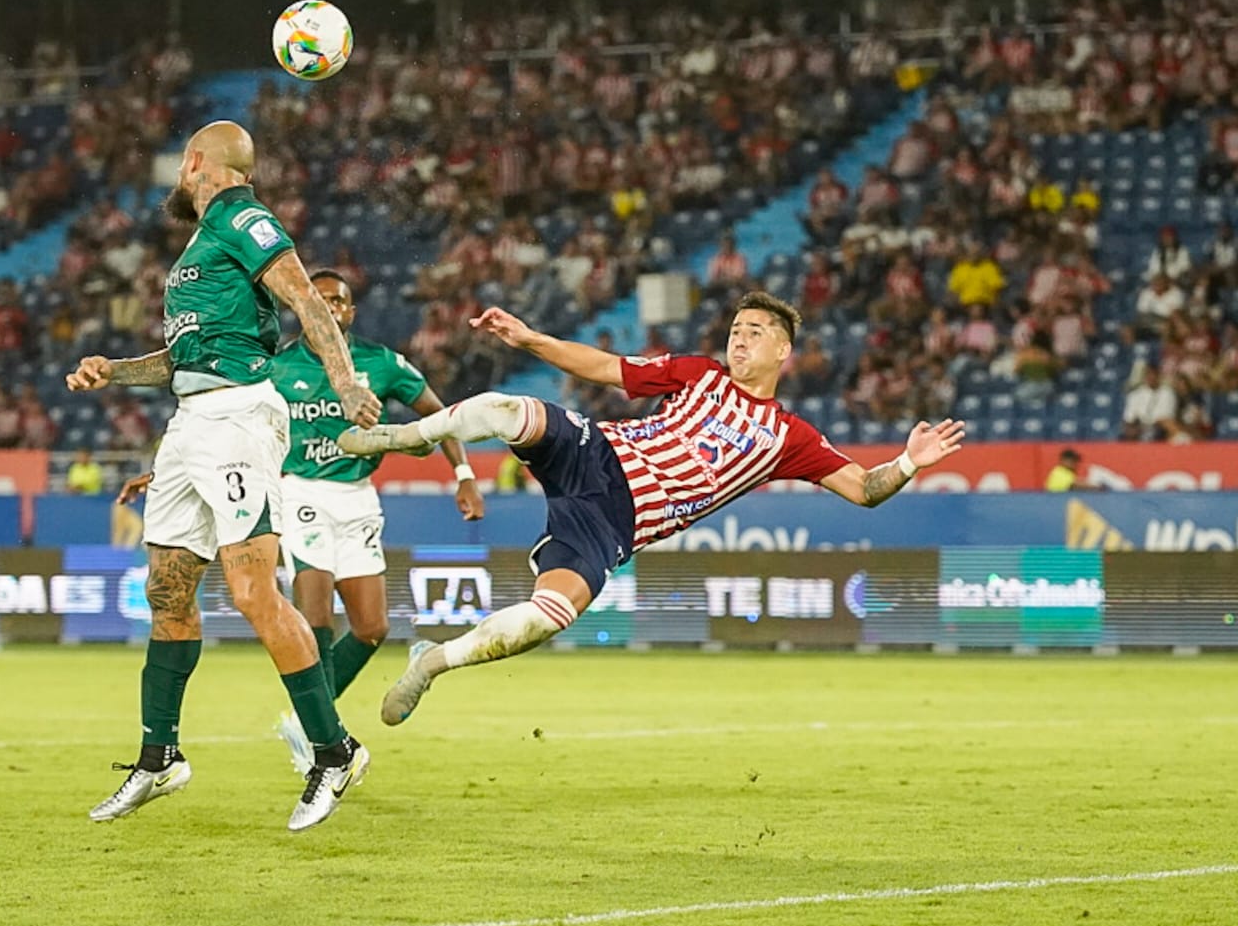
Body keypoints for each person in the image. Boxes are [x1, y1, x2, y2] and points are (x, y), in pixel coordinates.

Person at [337, 291, 965, 726]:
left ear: (783, 354)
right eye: (736, 330)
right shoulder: (699, 374)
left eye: (756, 332)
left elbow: (863, 488)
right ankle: (400, 438)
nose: (740, 339)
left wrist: (909, 462)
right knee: (507, 409)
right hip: (597, 453)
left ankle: (433, 663)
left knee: (547, 617)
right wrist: (530, 339)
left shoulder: (789, 438)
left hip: (615, 522)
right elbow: (607, 367)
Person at [65, 120, 382, 832]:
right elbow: (181, 363)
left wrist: (347, 382)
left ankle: (333, 750)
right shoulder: (200, 248)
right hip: (190, 423)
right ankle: (160, 756)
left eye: (182, 164)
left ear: (195, 163)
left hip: (239, 416)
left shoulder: (243, 215)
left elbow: (305, 298)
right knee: (167, 589)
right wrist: (116, 370)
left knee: (249, 588)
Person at [119, 269, 486, 774]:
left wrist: (463, 474)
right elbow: (221, 430)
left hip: (357, 497)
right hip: (297, 492)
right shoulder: (273, 366)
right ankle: (321, 734)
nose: (331, 308)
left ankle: (309, 717)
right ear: (304, 305)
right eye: (322, 299)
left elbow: (438, 414)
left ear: (351, 312)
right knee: (314, 615)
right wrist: (163, 473)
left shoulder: (381, 364)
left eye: (340, 301)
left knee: (372, 627)